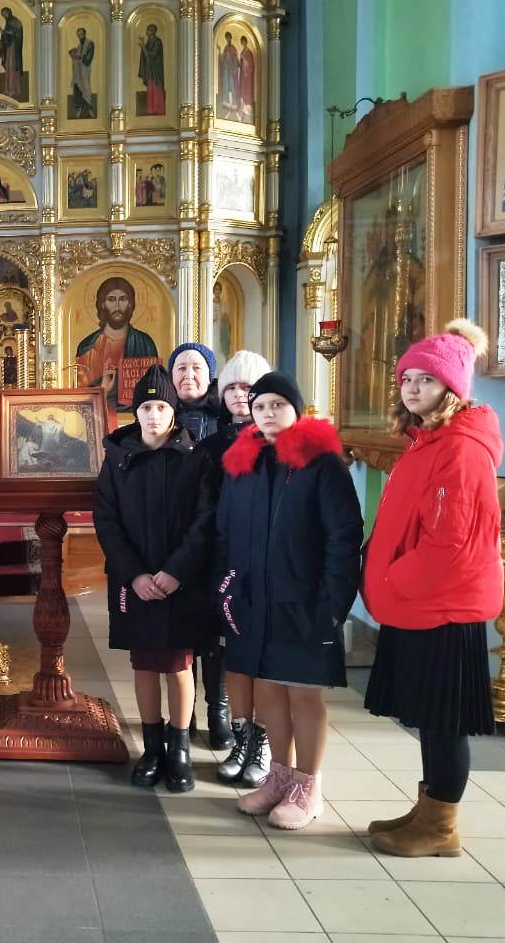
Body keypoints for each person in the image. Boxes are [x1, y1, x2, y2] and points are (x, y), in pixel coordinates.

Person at [361, 320, 503, 858]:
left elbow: (449, 543)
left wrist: (393, 577)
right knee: (428, 715)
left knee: (444, 721)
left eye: (427, 379)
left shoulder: (461, 449)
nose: (413, 388)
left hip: (442, 606)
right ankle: (428, 810)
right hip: (421, 603)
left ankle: (441, 827)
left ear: (453, 388)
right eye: (407, 379)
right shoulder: (427, 441)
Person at [215, 372, 362, 830]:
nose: (268, 413)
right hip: (254, 599)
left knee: (302, 692)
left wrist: (333, 603)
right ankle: (279, 778)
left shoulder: (322, 463)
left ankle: (308, 787)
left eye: (278, 405)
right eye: (260, 406)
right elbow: (226, 530)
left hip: (305, 600)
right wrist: (229, 587)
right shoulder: (243, 463)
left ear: (296, 409)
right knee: (267, 690)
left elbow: (344, 535)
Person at [94, 366, 218, 793]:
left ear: (173, 412)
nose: (153, 416)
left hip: (181, 581)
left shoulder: (195, 457)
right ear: (136, 412)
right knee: (144, 663)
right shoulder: (118, 458)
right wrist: (134, 575)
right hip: (135, 582)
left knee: (179, 664)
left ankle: (179, 749)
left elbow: (205, 520)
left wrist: (176, 571)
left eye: (161, 407)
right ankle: (152, 749)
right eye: (146, 407)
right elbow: (107, 520)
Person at [197, 351, 274, 787]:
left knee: (260, 658)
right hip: (219, 563)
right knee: (227, 653)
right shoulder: (212, 446)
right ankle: (239, 736)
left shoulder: (278, 446)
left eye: (249, 387)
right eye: (232, 387)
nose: (240, 395)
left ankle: (261, 741)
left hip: (263, 569)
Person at [168, 343, 232, 748]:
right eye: (180, 368)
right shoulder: (161, 414)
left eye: (196, 368)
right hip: (178, 536)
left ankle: (218, 709)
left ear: (210, 376)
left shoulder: (225, 418)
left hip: (219, 534)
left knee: (217, 627)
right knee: (183, 627)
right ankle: (184, 712)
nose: (188, 375)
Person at [75, 277, 160, 415]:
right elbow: (80, 397)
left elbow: (154, 387)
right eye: (111, 300)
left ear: (130, 304)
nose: (117, 307)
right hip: (96, 416)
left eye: (123, 299)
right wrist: (103, 389)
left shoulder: (145, 343)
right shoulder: (87, 348)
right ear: (102, 304)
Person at [137, 23, 165, 116]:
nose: (146, 31)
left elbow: (152, 55)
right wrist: (143, 46)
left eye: (148, 30)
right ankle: (150, 109)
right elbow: (146, 55)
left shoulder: (157, 42)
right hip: (149, 70)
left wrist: (143, 46)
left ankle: (158, 109)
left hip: (156, 71)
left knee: (156, 88)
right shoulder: (149, 41)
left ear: (152, 31)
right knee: (150, 88)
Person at [69, 27, 95, 119]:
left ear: (85, 34)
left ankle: (90, 109)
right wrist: (74, 54)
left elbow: (88, 59)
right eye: (78, 35)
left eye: (81, 34)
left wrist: (79, 57)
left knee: (86, 88)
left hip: (85, 71)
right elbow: (77, 55)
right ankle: (80, 110)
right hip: (78, 71)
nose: (80, 37)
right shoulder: (79, 46)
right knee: (78, 88)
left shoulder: (90, 44)